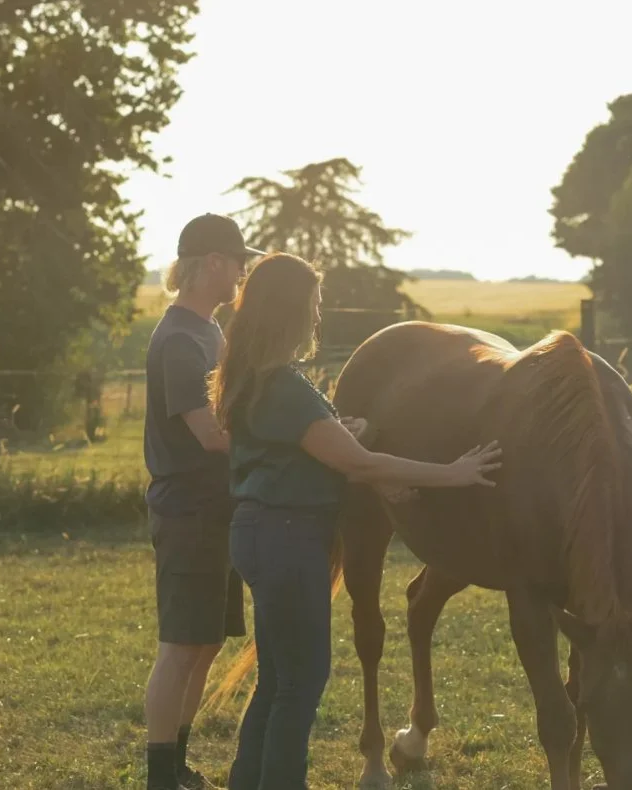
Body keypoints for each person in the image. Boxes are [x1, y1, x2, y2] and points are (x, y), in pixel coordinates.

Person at [208, 252, 503, 790]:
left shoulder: (253, 379)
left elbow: (313, 450)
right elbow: (358, 464)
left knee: (276, 679)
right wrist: (454, 473)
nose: (318, 316)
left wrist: (345, 434)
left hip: (258, 533)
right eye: (315, 304)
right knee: (301, 682)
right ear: (294, 312)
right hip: (290, 539)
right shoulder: (286, 389)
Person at [142, 213, 264, 790]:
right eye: (238, 260)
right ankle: (159, 775)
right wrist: (293, 437)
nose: (243, 271)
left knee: (208, 639)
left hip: (218, 509)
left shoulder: (210, 333)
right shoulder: (178, 340)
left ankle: (178, 762)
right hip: (188, 509)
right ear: (213, 264)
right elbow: (213, 434)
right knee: (179, 644)